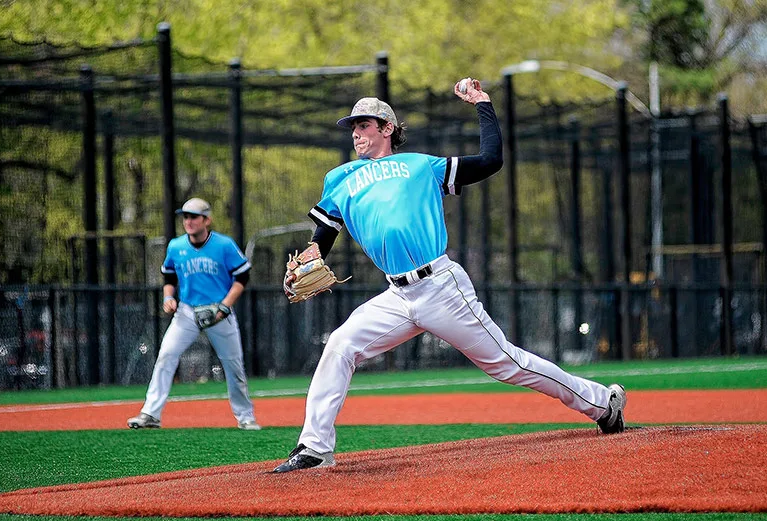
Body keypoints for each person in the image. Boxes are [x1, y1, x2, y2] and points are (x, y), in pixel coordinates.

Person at [273, 79, 626, 473]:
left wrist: (483, 105)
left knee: (506, 364)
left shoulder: (420, 165)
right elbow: (324, 233)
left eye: (365, 125)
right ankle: (315, 448)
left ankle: (602, 403)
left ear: (387, 128)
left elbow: (490, 160)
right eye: (353, 127)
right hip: (397, 296)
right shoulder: (339, 178)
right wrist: (308, 260)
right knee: (340, 345)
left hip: (440, 287)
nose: (356, 133)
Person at [127, 198, 261, 430]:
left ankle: (245, 416)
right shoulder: (176, 246)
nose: (188, 221)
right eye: (185, 217)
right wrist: (168, 298)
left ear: (206, 220)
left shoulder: (224, 245)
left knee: (233, 365)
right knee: (166, 355)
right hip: (187, 311)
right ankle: (150, 413)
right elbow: (169, 278)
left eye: (193, 216)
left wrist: (225, 306)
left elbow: (242, 277)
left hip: (218, 311)